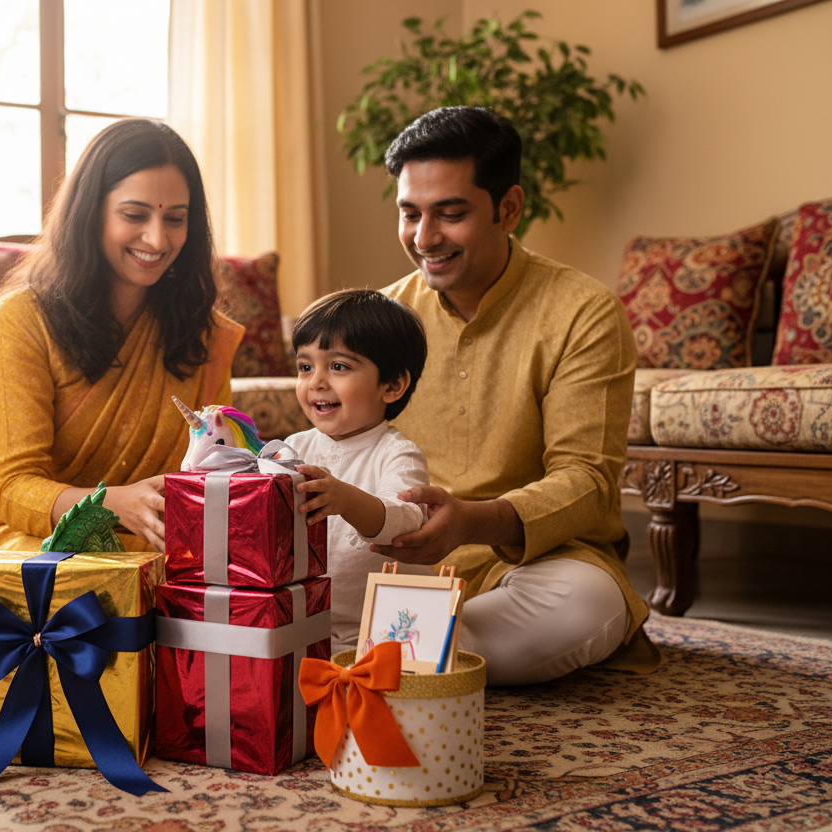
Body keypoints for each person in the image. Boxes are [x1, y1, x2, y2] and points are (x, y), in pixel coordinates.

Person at [0, 119, 244, 690]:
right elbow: (16, 486)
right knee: (54, 593)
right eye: (135, 214)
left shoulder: (204, 334)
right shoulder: (23, 317)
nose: (158, 239)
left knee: (234, 589)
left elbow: (214, 464)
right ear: (92, 211)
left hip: (150, 537)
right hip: (29, 533)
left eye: (175, 218)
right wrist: (109, 503)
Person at [374, 106, 660, 685]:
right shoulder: (381, 319)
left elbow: (589, 480)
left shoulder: (582, 311)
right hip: (402, 569)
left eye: (450, 214)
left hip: (533, 566)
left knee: (584, 604)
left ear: (509, 208)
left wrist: (472, 522)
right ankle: (420, 650)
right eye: (410, 214)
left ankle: (390, 650)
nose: (425, 238)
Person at [283, 288, 431, 654]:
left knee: (406, 675)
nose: (316, 381)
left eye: (338, 366)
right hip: (309, 622)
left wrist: (346, 499)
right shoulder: (293, 447)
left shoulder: (396, 453)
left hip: (385, 626)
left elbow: (408, 520)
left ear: (392, 386)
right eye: (305, 367)